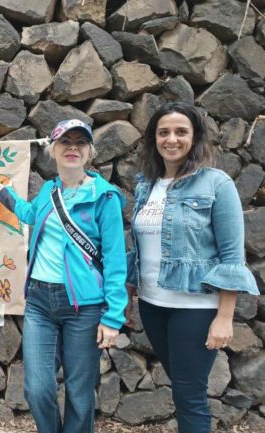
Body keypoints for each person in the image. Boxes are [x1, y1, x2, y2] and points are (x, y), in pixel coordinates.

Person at [126, 102, 258, 433]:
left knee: (190, 395)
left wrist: (224, 318)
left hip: (195, 309)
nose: (172, 139)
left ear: (195, 137)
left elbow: (231, 255)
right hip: (153, 306)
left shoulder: (217, 183)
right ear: (154, 139)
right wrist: (129, 296)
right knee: (183, 387)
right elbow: (142, 247)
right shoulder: (146, 185)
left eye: (181, 131)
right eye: (164, 132)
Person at [0, 119, 127, 433]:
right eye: (66, 142)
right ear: (53, 150)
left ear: (89, 152)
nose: (73, 148)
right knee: (37, 390)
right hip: (40, 302)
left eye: (81, 142)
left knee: (79, 394)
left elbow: (116, 261)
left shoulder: (104, 198)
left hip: (85, 308)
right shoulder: (49, 191)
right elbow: (31, 215)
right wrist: (7, 198)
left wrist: (113, 316)